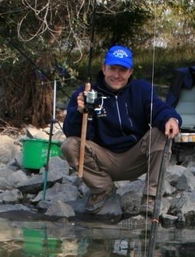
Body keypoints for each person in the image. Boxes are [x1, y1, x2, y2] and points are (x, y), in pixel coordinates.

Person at [62, 45, 182, 214]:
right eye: (112, 69)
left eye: (122, 70)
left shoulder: (142, 89)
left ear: (130, 72)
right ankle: (103, 188)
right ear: (104, 68)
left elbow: (160, 109)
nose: (116, 75)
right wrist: (79, 112)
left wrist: (171, 119)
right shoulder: (86, 93)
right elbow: (72, 133)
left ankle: (150, 197)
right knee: (69, 145)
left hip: (136, 156)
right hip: (104, 158)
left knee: (160, 133)